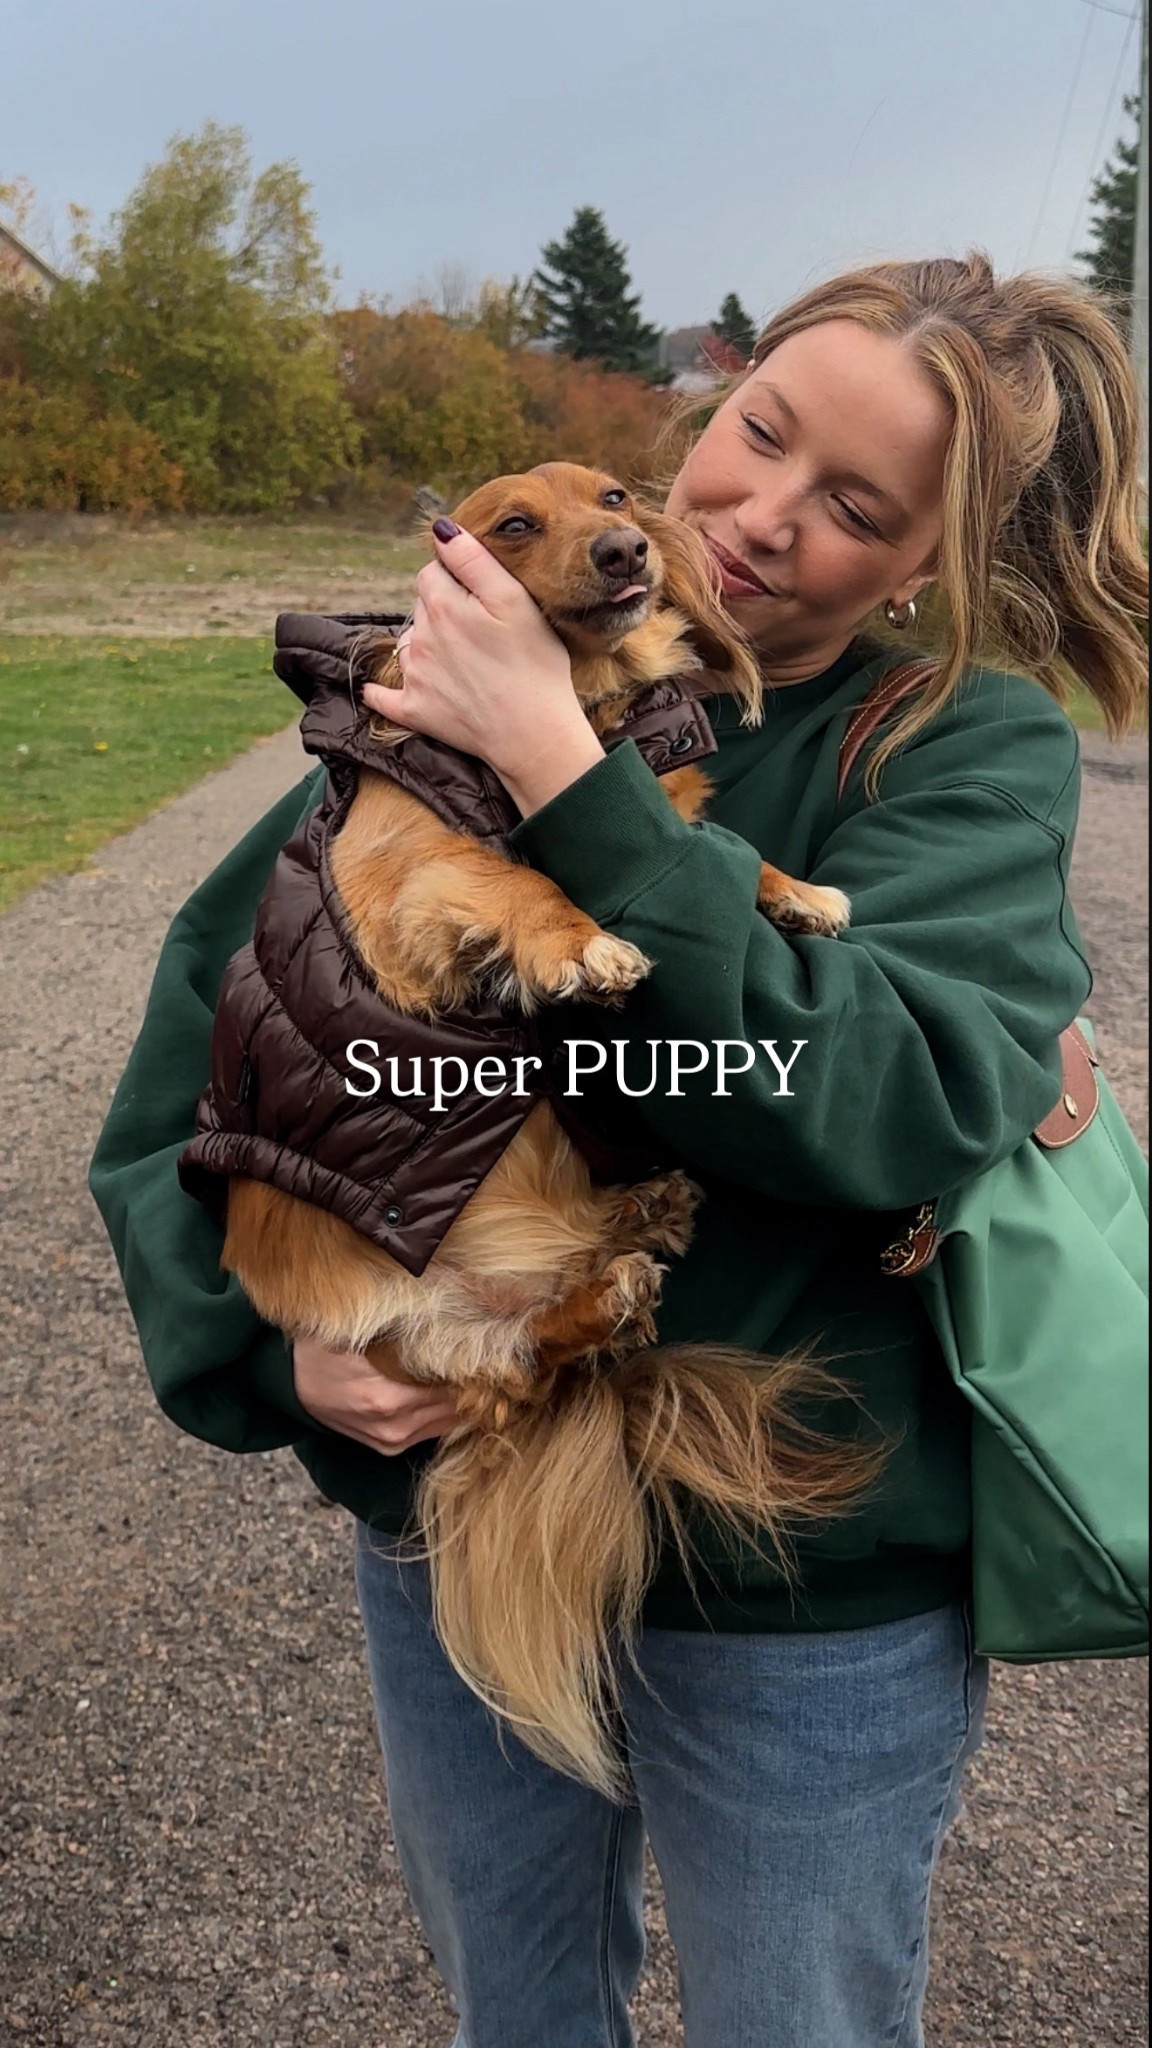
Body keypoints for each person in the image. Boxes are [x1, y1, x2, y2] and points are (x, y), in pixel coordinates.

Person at [89, 250, 1148, 2048]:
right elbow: (202, 1058)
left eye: (858, 508)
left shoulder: (959, 746)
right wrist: (276, 1351)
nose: (761, 515)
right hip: (459, 1528)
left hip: (803, 1585)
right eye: (760, 433)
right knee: (517, 2017)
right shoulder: (428, 707)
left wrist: (568, 778)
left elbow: (877, 1095)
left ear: (928, 563)